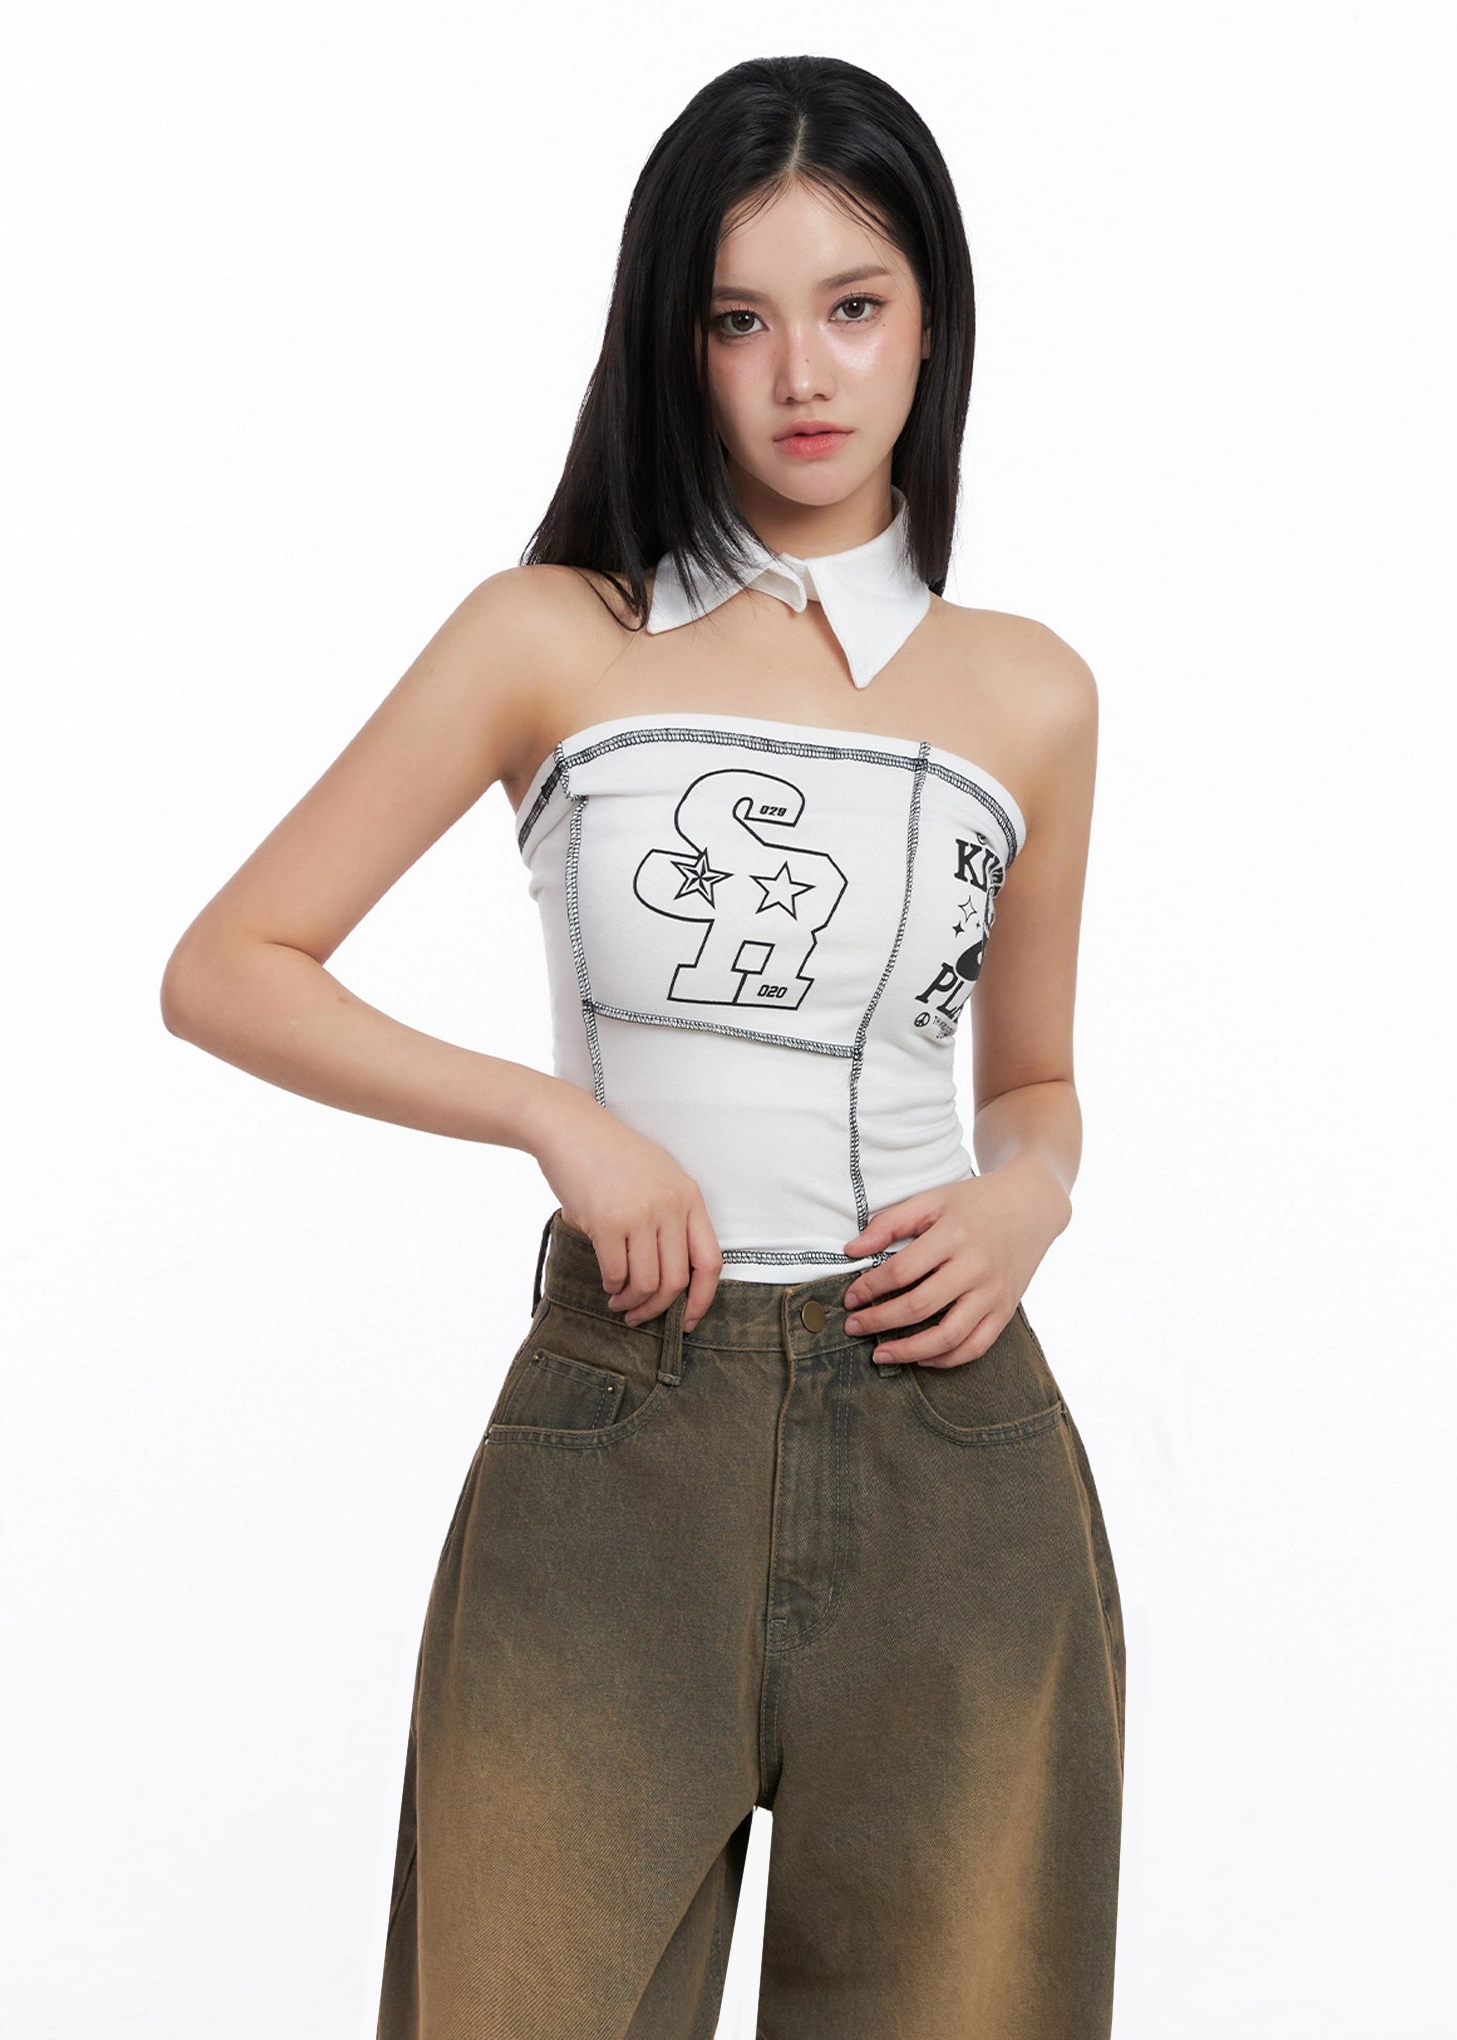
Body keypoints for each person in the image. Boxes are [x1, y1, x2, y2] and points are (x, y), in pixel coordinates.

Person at [160, 52, 1125, 2040]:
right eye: (739, 319)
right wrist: (554, 1121)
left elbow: (1033, 1079)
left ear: (931, 322)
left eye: (854, 306)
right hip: (623, 1419)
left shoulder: (1028, 693)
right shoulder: (550, 637)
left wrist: (1032, 1193)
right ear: (672, 339)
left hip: (953, 1442)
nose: (803, 376)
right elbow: (231, 964)